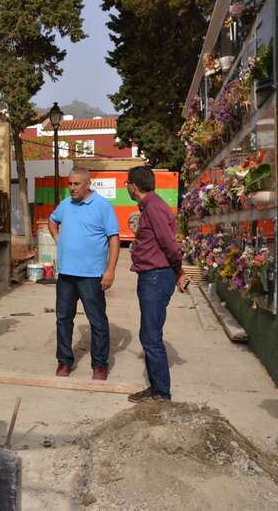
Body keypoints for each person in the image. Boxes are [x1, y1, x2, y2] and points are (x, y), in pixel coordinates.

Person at [48, 167, 120, 380]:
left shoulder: (102, 207)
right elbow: (52, 221)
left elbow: (113, 239)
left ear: (88, 184)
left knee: (97, 320)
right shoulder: (65, 205)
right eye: (69, 184)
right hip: (66, 274)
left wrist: (110, 270)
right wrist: (58, 239)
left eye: (76, 184)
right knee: (63, 318)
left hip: (92, 275)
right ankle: (64, 361)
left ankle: (99, 364)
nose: (72, 188)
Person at [125, 166, 189, 402]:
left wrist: (178, 271)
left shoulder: (153, 207)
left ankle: (162, 393)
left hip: (155, 277)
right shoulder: (151, 206)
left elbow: (169, 245)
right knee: (149, 335)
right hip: (153, 276)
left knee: (151, 337)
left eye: (127, 184)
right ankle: (156, 388)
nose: (127, 189)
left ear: (133, 186)